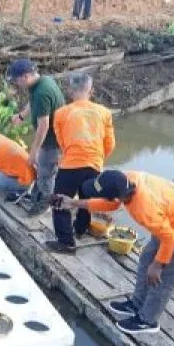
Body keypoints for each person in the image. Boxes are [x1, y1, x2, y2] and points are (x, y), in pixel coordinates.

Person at [58, 170, 174, 335]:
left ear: (116, 195)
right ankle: (137, 303)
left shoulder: (145, 209)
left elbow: (170, 238)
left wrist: (158, 264)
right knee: (147, 257)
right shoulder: (125, 180)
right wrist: (74, 203)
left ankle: (148, 320)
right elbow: (111, 204)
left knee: (165, 275)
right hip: (171, 220)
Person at [45, 72, 115, 253]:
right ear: (91, 91)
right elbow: (110, 144)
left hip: (70, 164)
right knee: (88, 198)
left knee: (59, 201)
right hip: (94, 164)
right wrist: (97, 158)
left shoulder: (61, 113)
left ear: (70, 91)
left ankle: (66, 242)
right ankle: (81, 228)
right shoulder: (104, 112)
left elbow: (62, 142)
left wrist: (73, 154)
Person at [7, 59, 66, 210]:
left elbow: (43, 126)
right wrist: (21, 116)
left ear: (25, 76)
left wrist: (33, 153)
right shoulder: (41, 82)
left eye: (15, 80)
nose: (15, 83)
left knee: (46, 175)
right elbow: (32, 101)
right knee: (42, 171)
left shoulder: (41, 92)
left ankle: (42, 207)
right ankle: (35, 197)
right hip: (51, 139)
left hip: (53, 142)